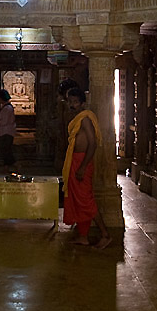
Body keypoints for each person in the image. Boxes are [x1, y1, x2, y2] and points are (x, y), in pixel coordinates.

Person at [62, 87, 111, 248]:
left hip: (82, 162)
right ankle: (83, 236)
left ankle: (105, 234)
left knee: (85, 200)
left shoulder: (85, 119)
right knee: (78, 199)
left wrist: (83, 167)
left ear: (82, 103)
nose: (72, 105)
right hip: (75, 160)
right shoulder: (77, 118)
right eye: (70, 101)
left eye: (75, 102)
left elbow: (93, 143)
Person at [0, 88, 16, 168]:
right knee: (6, 150)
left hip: (6, 132)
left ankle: (11, 165)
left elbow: (4, 121)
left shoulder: (7, 108)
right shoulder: (6, 108)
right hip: (6, 131)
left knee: (6, 150)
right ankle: (8, 165)